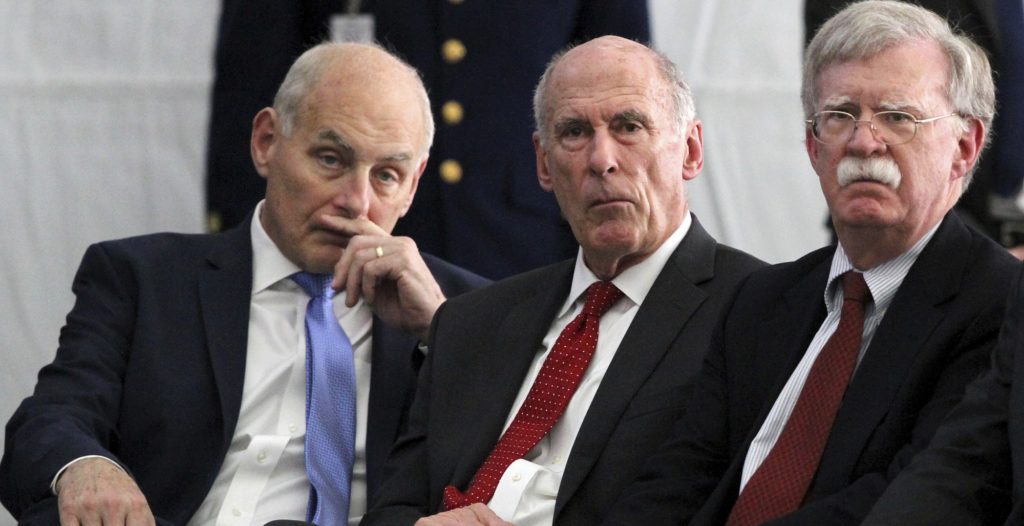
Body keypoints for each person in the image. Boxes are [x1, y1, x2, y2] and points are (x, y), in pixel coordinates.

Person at [0, 42, 488, 526]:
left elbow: (520, 471)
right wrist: (87, 467)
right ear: (266, 142)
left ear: (414, 184)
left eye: (386, 174)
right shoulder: (143, 277)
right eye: (331, 159)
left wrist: (440, 331)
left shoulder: (468, 312)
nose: (356, 203)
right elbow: (52, 420)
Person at [599, 1, 1021, 524]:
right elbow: (678, 478)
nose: (865, 141)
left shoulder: (996, 304)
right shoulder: (761, 300)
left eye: (898, 117)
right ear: (811, 145)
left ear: (965, 146)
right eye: (840, 116)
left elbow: (915, 496)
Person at [360, 36, 766, 526]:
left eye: (629, 126)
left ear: (691, 151)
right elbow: (393, 506)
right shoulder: (470, 322)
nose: (601, 159)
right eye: (574, 132)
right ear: (544, 164)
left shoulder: (755, 311)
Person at [206, 0, 649, 280]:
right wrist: (246, 267)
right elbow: (251, 93)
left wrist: (620, 255)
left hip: (527, 250)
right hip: (354, 250)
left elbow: (625, 92)